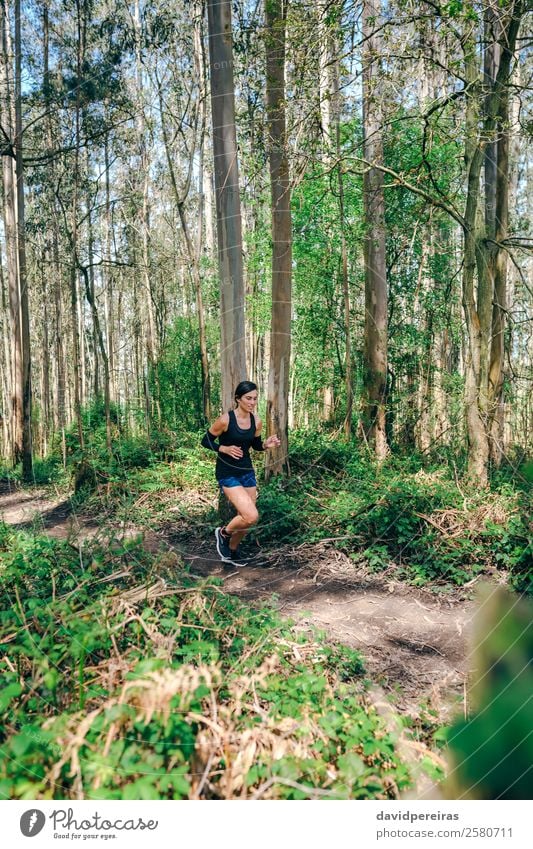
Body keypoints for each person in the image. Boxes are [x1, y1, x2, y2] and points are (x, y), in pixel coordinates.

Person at [201, 381, 281, 563]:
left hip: (246, 471)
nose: (252, 402)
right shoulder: (225, 420)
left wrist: (265, 445)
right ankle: (223, 533)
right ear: (238, 399)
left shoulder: (256, 421)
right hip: (227, 472)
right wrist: (224, 448)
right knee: (251, 515)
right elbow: (205, 441)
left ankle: (232, 551)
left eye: (254, 398)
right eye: (248, 398)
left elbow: (254, 445)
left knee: (249, 519)